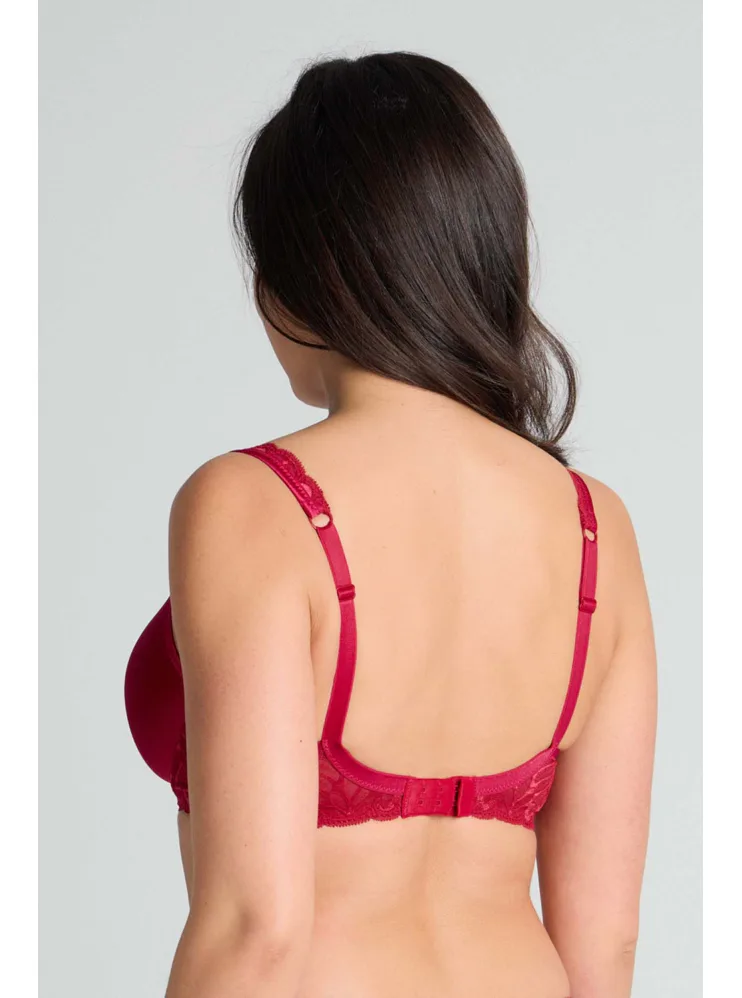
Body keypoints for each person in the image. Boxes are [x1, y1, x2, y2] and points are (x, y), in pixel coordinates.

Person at [124, 51, 657, 998]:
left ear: (298, 275)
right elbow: (604, 944)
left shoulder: (254, 501)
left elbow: (257, 930)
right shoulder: (595, 529)